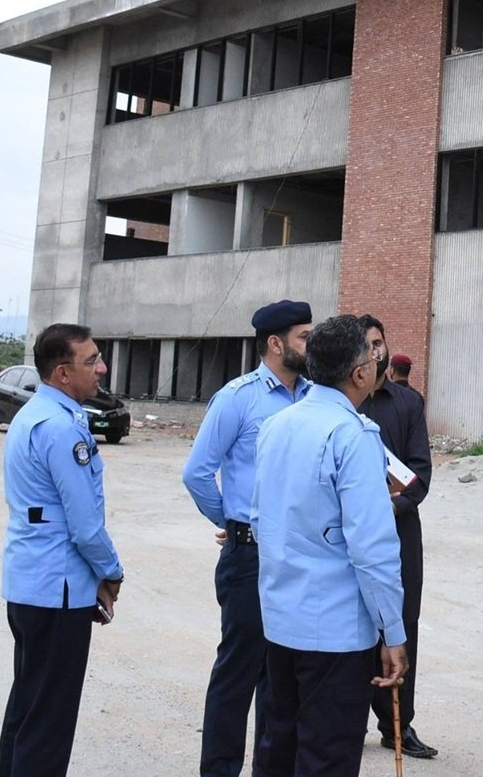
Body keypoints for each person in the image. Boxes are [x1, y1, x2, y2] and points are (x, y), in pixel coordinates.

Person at [250, 314, 409, 776]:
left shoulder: (277, 425)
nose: (377, 364)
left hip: (281, 619)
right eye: (372, 358)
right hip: (334, 632)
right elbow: (372, 549)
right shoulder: (353, 435)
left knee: (278, 749)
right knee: (326, 758)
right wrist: (393, 631)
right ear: (359, 373)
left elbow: (260, 518)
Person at [181, 300, 313, 777]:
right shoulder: (238, 398)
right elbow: (197, 473)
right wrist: (235, 522)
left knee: (282, 677)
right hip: (251, 557)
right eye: (304, 337)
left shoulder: (314, 397)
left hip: (298, 555)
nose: (311, 344)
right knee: (238, 672)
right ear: (275, 344)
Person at [0, 323, 125, 776]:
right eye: (92, 361)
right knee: (48, 721)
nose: (102, 368)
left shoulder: (34, 414)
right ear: (62, 374)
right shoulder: (60, 428)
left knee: (27, 708)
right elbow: (85, 526)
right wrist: (111, 573)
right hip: (58, 589)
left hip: (30, 582)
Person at [355, 315, 437, 758]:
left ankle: (397, 725)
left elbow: (419, 473)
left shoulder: (407, 403)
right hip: (350, 535)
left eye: (379, 343)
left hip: (400, 531)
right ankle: (350, 721)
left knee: (402, 625)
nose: (375, 351)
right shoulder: (344, 404)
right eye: (367, 345)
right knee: (356, 624)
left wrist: (392, 506)